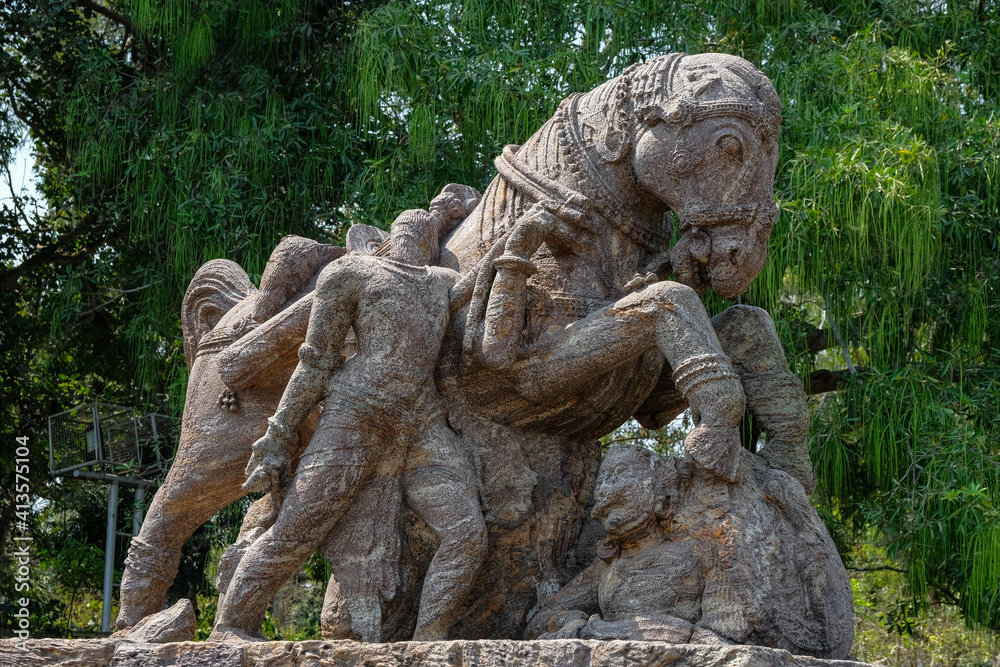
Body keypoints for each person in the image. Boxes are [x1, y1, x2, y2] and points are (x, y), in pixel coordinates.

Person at [209, 194, 487, 642]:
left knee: (466, 533)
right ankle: (231, 624)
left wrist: (525, 230)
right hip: (355, 418)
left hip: (421, 427)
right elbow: (316, 359)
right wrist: (279, 431)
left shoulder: (441, 282)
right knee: (296, 530)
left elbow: (479, 277)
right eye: (411, 231)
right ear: (394, 236)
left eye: (425, 233)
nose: (416, 237)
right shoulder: (350, 273)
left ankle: (426, 643)